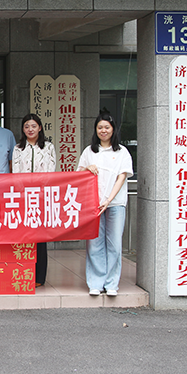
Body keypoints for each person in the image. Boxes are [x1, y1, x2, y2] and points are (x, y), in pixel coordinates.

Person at [77, 113, 133, 297]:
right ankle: (95, 283)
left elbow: (121, 178)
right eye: (100, 127)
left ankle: (111, 284)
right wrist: (87, 168)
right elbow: (79, 175)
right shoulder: (89, 151)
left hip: (115, 204)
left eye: (107, 127)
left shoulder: (122, 152)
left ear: (113, 129)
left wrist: (108, 200)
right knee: (94, 244)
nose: (103, 131)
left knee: (114, 244)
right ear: (96, 130)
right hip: (93, 205)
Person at [12, 113, 57, 287]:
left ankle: (39, 276)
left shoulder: (48, 147)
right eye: (26, 126)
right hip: (23, 198)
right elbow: (15, 173)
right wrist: (23, 193)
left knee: (40, 237)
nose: (30, 129)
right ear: (23, 129)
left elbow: (51, 172)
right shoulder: (18, 148)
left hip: (41, 198)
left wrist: (38, 192)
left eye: (33, 126)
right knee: (24, 236)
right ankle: (24, 273)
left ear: (40, 128)